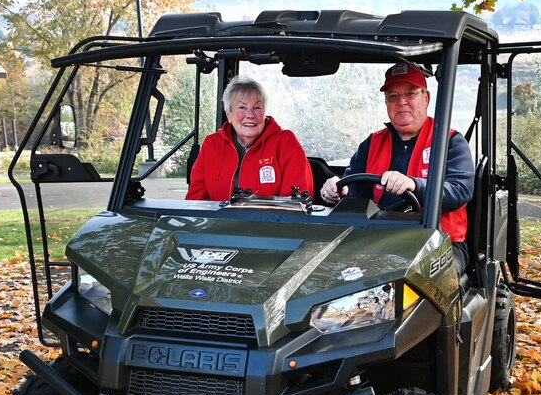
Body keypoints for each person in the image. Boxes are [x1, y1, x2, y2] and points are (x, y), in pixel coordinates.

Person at [321, 63, 474, 272]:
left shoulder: (451, 142)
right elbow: (356, 186)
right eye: (393, 96)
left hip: (439, 241)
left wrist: (413, 185)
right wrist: (340, 189)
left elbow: (459, 190)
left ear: (426, 98)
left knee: (420, 276)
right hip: (378, 236)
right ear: (386, 103)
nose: (401, 102)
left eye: (410, 94)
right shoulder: (371, 144)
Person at [188, 75, 312, 201]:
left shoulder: (286, 142)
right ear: (229, 114)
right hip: (220, 220)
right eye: (242, 107)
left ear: (264, 112)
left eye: (257, 108)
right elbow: (196, 200)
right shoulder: (211, 144)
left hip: (271, 220)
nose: (250, 115)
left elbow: (297, 202)